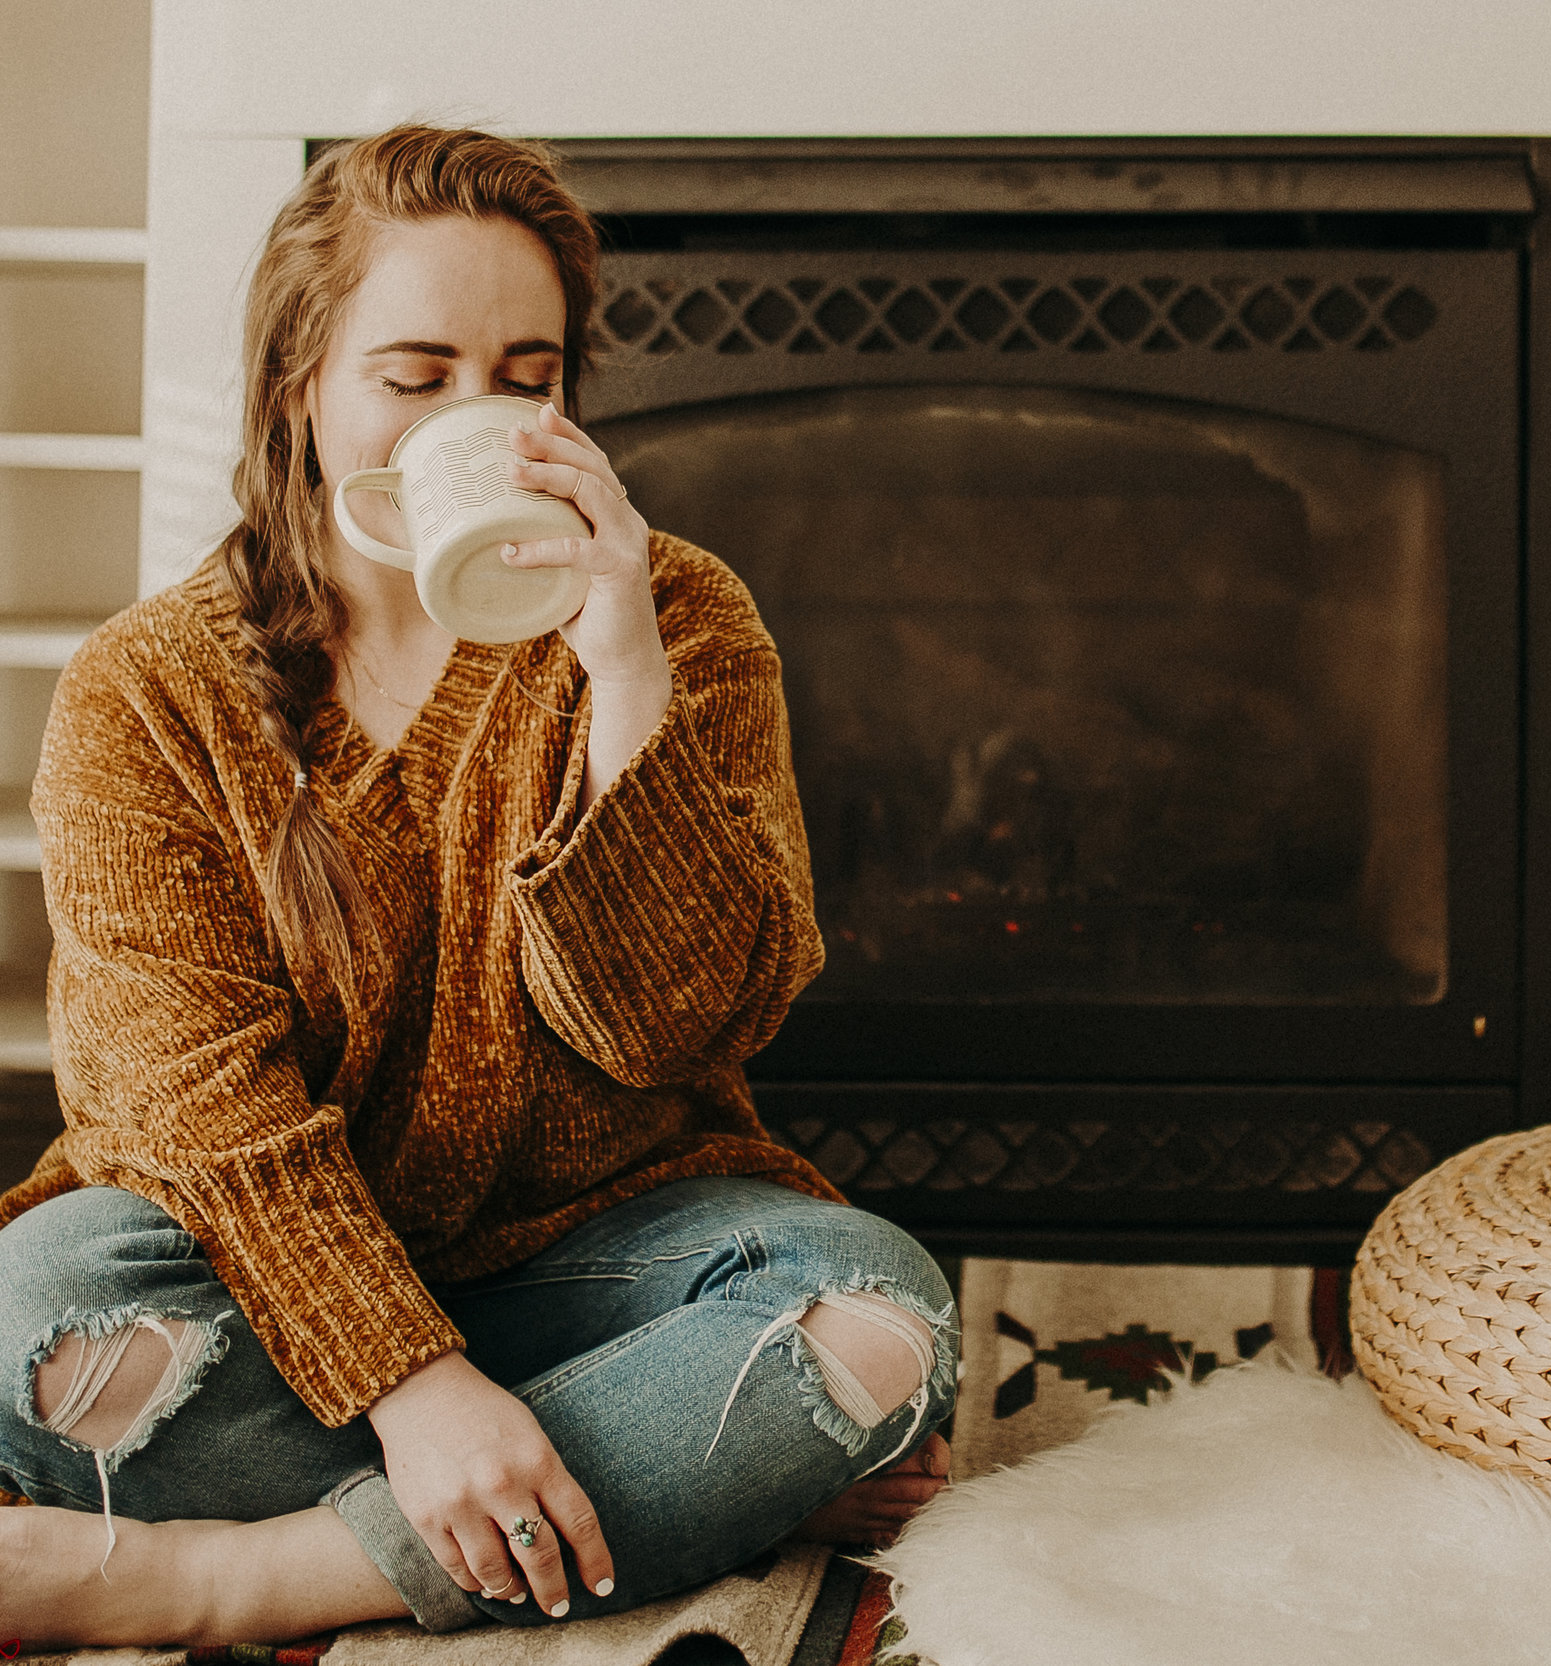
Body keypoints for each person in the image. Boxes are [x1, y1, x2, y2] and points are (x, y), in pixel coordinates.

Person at [0, 125, 958, 1650]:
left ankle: (221, 1572)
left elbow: (676, 1031)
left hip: (596, 1251)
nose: (482, 416)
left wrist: (622, 658)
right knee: (34, 1320)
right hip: (267, 1282)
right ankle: (678, 1467)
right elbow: (201, 1118)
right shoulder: (148, 691)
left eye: (526, 372)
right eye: (417, 372)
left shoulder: (681, 613)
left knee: (881, 1317)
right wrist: (411, 1384)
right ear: (297, 385)